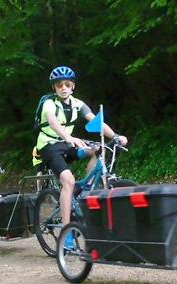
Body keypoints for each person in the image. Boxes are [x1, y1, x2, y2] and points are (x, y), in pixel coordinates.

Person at [35, 66, 128, 247]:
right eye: (59, 84)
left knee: (97, 149)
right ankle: (66, 230)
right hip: (48, 146)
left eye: (67, 84)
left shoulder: (78, 104)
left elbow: (96, 122)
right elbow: (53, 122)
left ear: (73, 86)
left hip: (67, 144)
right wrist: (69, 137)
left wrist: (115, 136)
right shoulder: (49, 103)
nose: (63, 87)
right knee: (68, 181)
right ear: (54, 87)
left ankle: (85, 189)